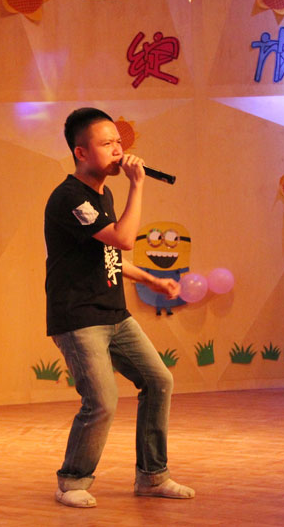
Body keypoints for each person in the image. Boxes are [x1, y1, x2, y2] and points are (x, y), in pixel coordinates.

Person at [44, 107, 195, 508]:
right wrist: (138, 185)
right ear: (81, 152)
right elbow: (125, 238)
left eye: (118, 142)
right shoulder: (69, 198)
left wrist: (151, 279)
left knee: (158, 381)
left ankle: (152, 476)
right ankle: (72, 481)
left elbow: (110, 254)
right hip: (78, 316)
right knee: (102, 400)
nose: (118, 150)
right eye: (107, 143)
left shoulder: (103, 195)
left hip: (113, 313)